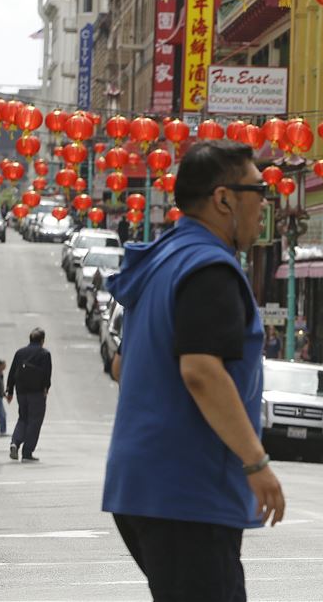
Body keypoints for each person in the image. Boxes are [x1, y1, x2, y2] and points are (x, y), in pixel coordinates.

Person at [103, 140, 285, 601]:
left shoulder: (164, 258)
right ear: (225, 199)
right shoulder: (210, 268)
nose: (264, 204)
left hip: (142, 488)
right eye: (259, 191)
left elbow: (122, 365)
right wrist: (256, 462)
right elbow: (201, 371)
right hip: (188, 491)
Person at [6, 328, 52, 462]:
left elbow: (12, 372)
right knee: (35, 421)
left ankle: (15, 442)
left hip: (21, 392)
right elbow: (47, 373)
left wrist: (10, 391)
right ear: (42, 340)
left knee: (23, 418)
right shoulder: (44, 354)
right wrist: (46, 387)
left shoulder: (20, 353)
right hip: (37, 392)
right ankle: (27, 452)